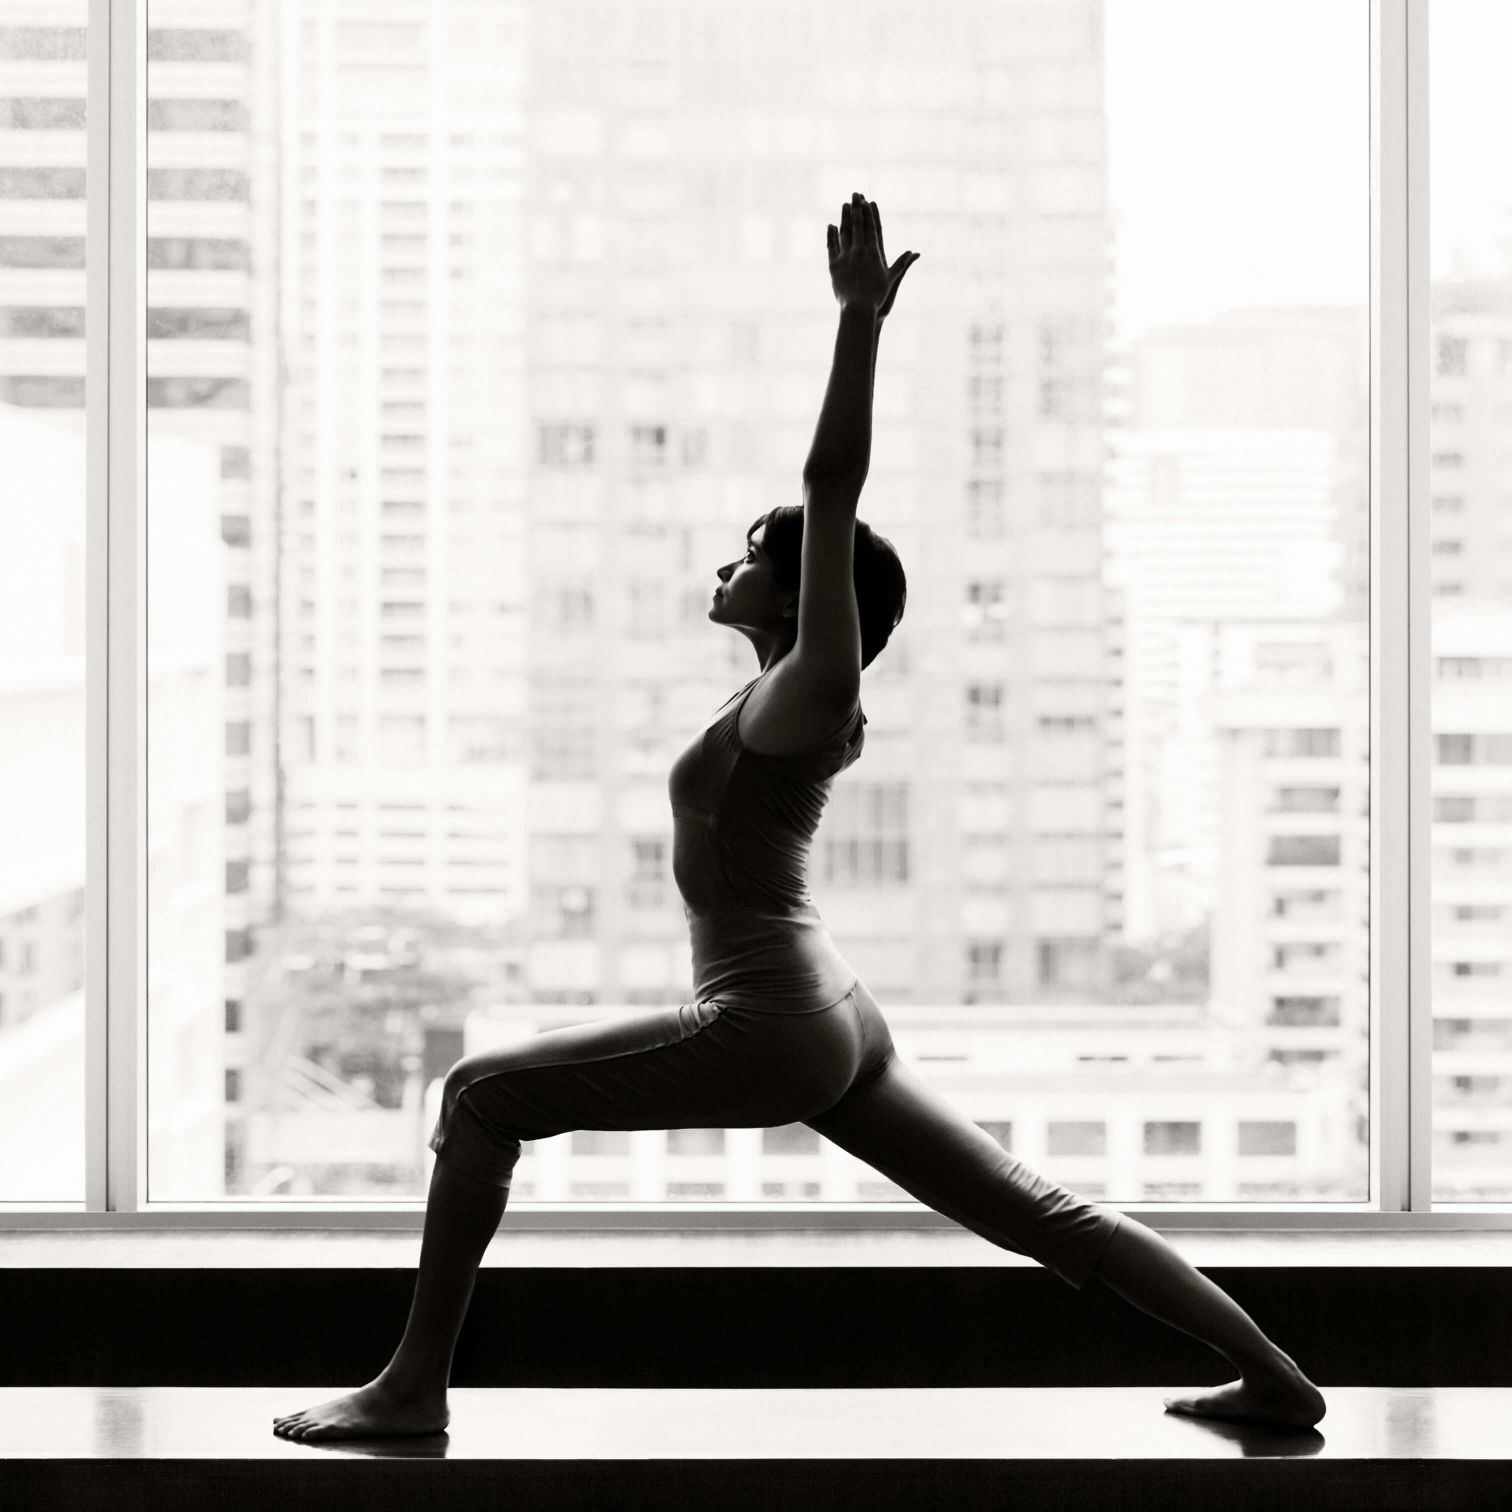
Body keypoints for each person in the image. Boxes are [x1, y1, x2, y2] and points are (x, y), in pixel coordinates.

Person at [274, 193, 1325, 1443]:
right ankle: (1277, 1377)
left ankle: (411, 1390)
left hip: (773, 1015)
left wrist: (859, 325)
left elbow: (832, 482)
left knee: (480, 1095)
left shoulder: (821, 684)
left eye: (752, 553)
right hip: (828, 1008)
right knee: (1040, 1211)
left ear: (810, 588)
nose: (729, 568)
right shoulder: (779, 690)